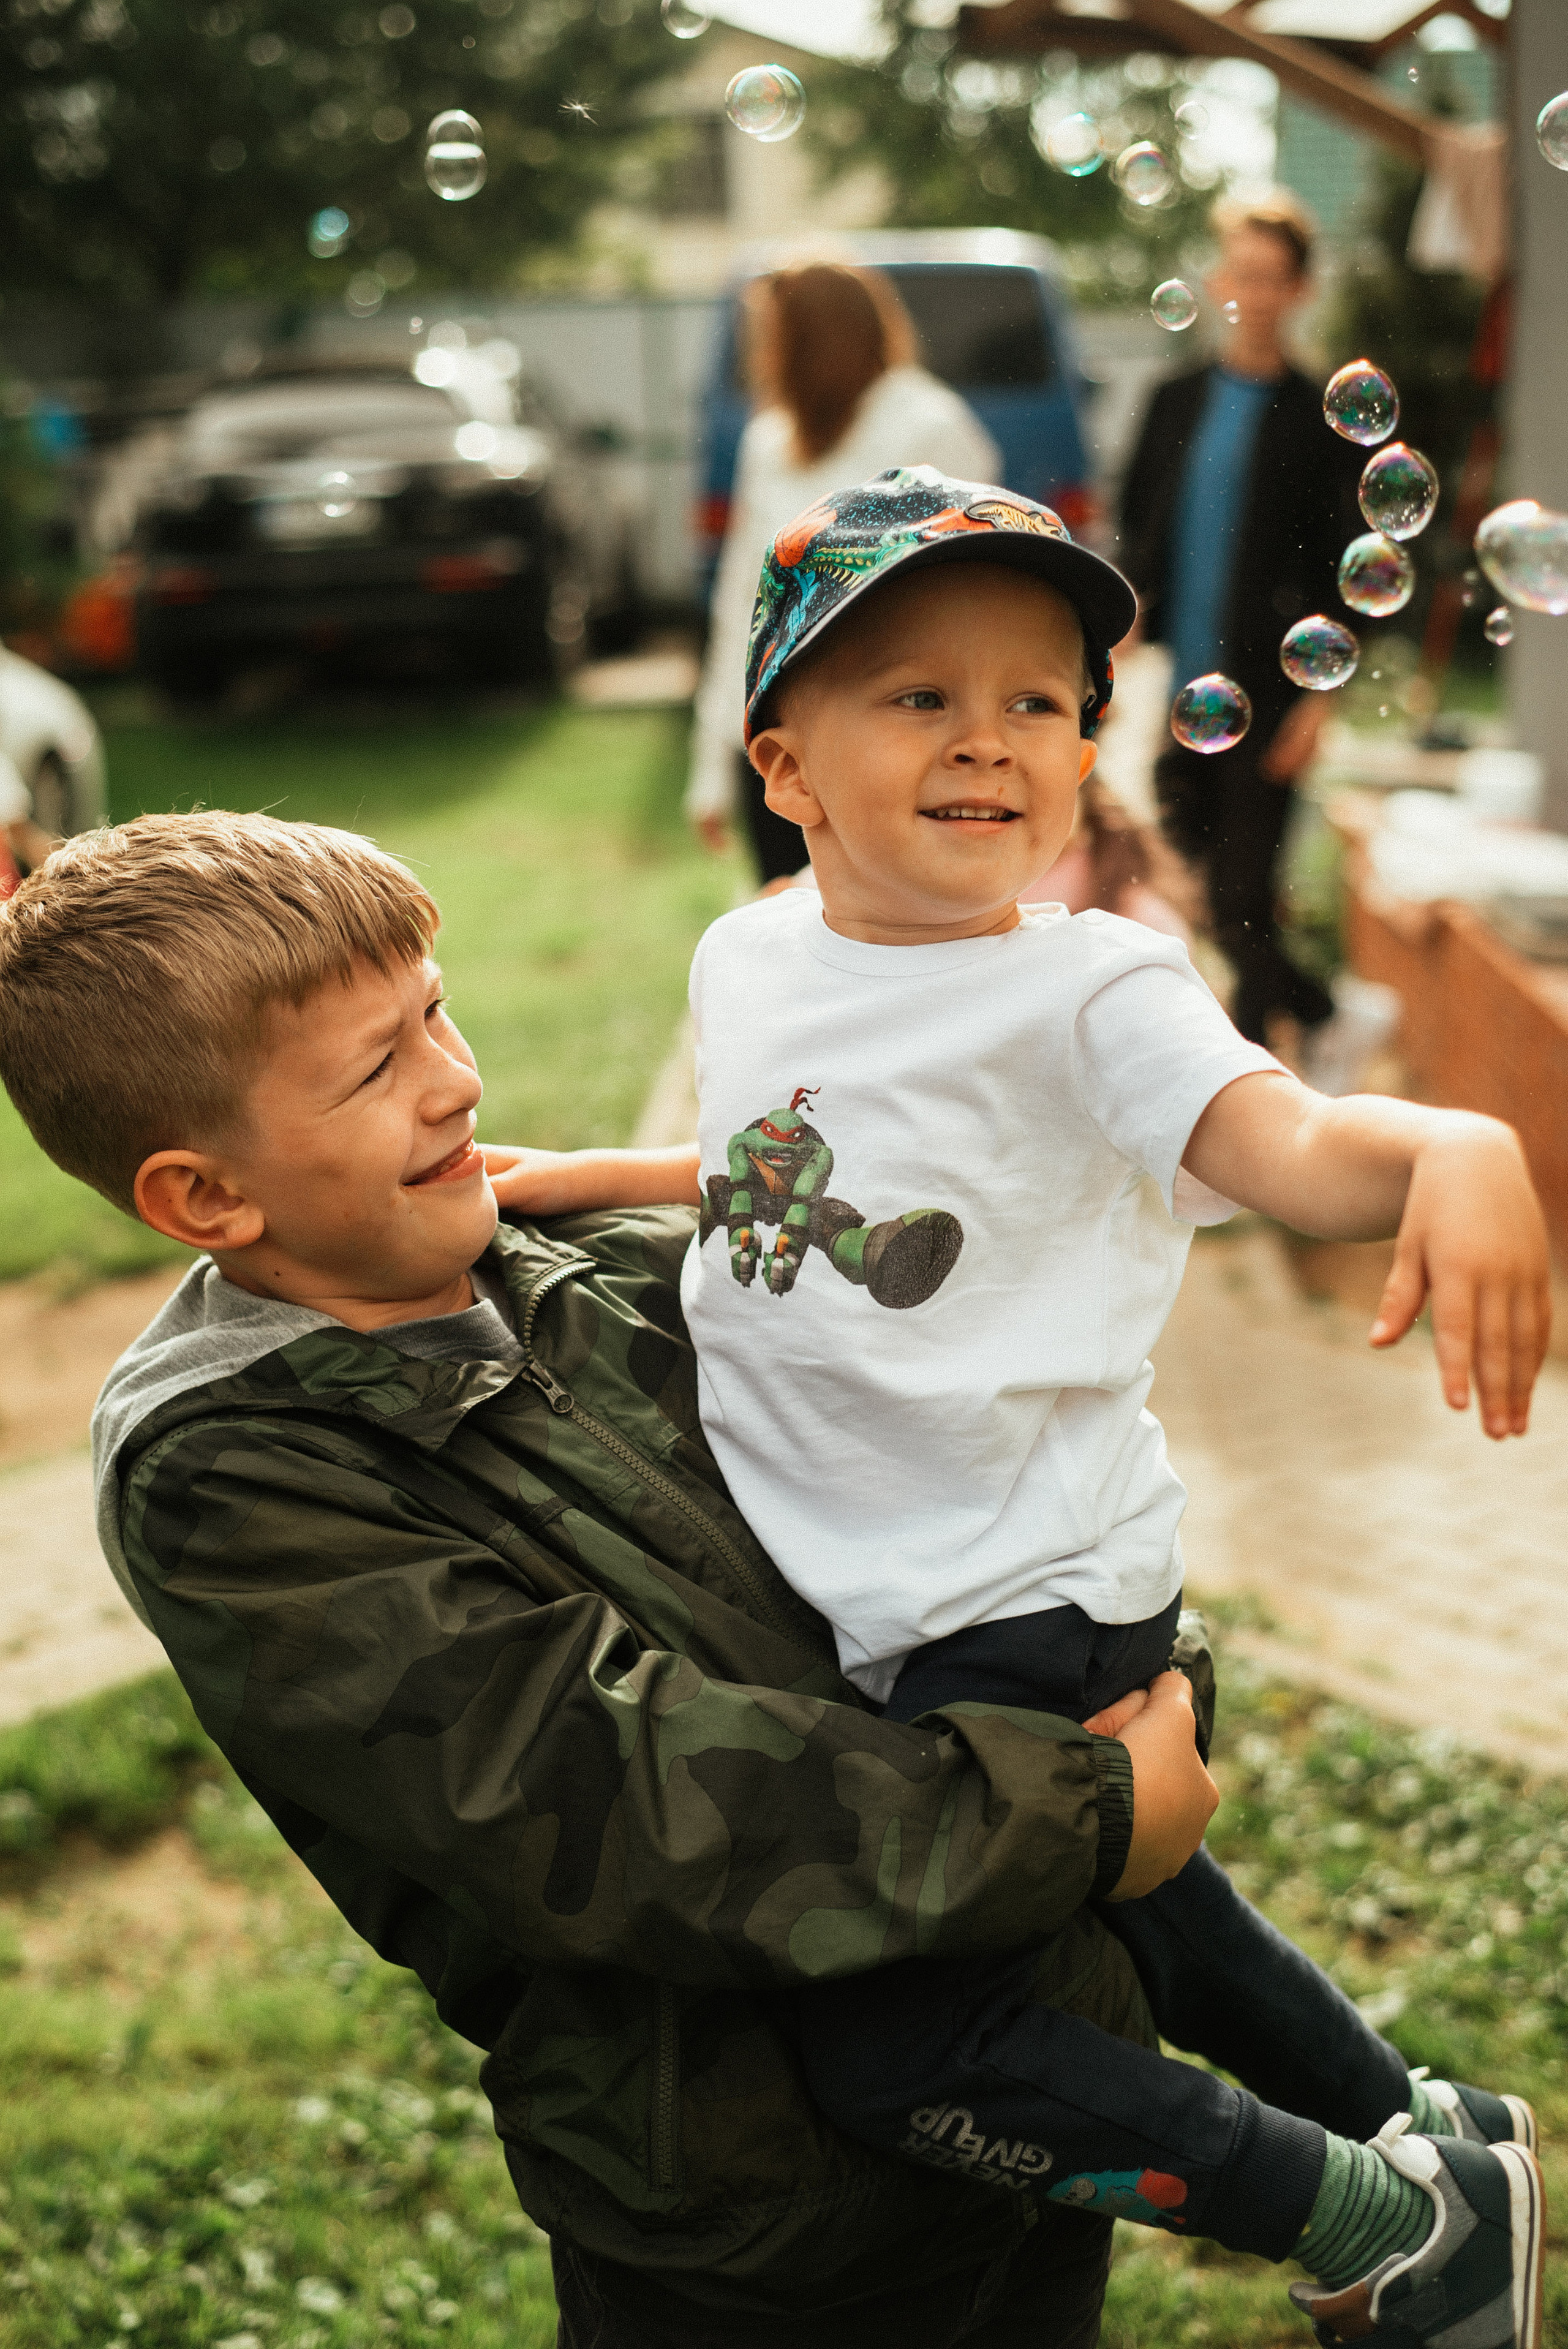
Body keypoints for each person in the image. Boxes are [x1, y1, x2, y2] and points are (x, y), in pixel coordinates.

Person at [486, 468, 1550, 2349]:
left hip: (1010, 1588)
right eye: (918, 694)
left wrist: (1450, 1140)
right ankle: (1427, 2133)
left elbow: (1289, 1148)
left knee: (899, 2043)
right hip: (877, 1576)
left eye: (1040, 702)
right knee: (1156, 1913)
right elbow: (787, 1165)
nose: (989, 737)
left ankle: (1373, 2221)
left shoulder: (1094, 998)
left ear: (1082, 760)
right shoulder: (750, 951)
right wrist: (603, 1171)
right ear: (783, 761)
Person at [1, 809, 1215, 2349]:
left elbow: (979, 1467)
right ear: (206, 1198)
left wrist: (1119, 1658)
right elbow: (607, 1794)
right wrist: (1084, 1805)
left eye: (433, 1007)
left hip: (1034, 2065)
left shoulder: (594, 1262)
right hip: (765, 2210)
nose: (457, 1077)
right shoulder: (237, 1474)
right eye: (374, 1068)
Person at [1118, 193, 1369, 1068]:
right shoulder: (1174, 399)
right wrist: (1116, 630)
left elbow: (1350, 568)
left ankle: (1257, 1088)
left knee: (1245, 894)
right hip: (1183, 689)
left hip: (1271, 690)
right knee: (1202, 882)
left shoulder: (1314, 416)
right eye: (1241, 273)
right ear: (1220, 281)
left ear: (1298, 289)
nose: (1253, 293)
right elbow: (1137, 531)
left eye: (1273, 277)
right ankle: (1328, 1005)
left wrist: (1318, 706)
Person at [688, 262, 998, 883]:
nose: (762, 354)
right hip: (782, 742)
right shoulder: (770, 439)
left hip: (893, 746)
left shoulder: (930, 424)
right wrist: (713, 763)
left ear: (811, 339)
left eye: (772, 334)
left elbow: (982, 592)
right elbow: (742, 603)